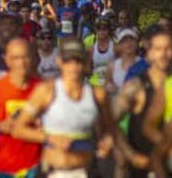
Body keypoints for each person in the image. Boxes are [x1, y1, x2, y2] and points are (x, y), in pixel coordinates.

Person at [13, 39, 116, 177]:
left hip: (86, 170)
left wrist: (108, 141)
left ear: (85, 62)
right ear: (59, 61)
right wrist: (49, 138)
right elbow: (18, 129)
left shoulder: (98, 94)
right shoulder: (47, 91)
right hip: (52, 170)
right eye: (68, 61)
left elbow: (111, 127)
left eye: (78, 60)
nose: (73, 66)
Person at [114, 27, 172, 178]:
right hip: (144, 168)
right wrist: (129, 154)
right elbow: (111, 120)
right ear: (149, 52)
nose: (164, 54)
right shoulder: (136, 86)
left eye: (168, 48)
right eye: (158, 49)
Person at [0, 38, 42, 177]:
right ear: (7, 60)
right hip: (0, 168)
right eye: (16, 58)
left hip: (32, 168)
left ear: (32, 58)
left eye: (25, 57)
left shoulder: (43, 89)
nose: (21, 63)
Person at [106, 28, 140, 94]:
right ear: (119, 45)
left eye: (132, 40)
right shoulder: (112, 66)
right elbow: (107, 85)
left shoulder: (144, 64)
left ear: (137, 44)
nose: (128, 44)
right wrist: (109, 87)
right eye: (124, 41)